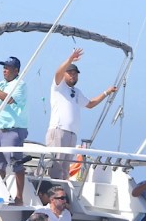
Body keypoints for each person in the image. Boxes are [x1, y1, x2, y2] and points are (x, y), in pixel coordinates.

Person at [45, 47, 118, 178]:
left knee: (65, 168)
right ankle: (52, 188)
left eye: (75, 73)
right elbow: (57, 73)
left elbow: (90, 104)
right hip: (59, 131)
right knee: (56, 166)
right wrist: (70, 59)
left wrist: (106, 92)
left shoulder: (77, 92)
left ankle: (63, 189)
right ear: (65, 74)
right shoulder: (58, 86)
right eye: (70, 73)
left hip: (72, 134)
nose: (73, 75)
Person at [0, 56, 29, 205]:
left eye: (7, 68)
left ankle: (19, 198)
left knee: (16, 164)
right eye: (4, 67)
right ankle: (1, 194)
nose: (4, 70)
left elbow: (9, 100)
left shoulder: (20, 85)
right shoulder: (2, 84)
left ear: (16, 70)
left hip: (14, 129)